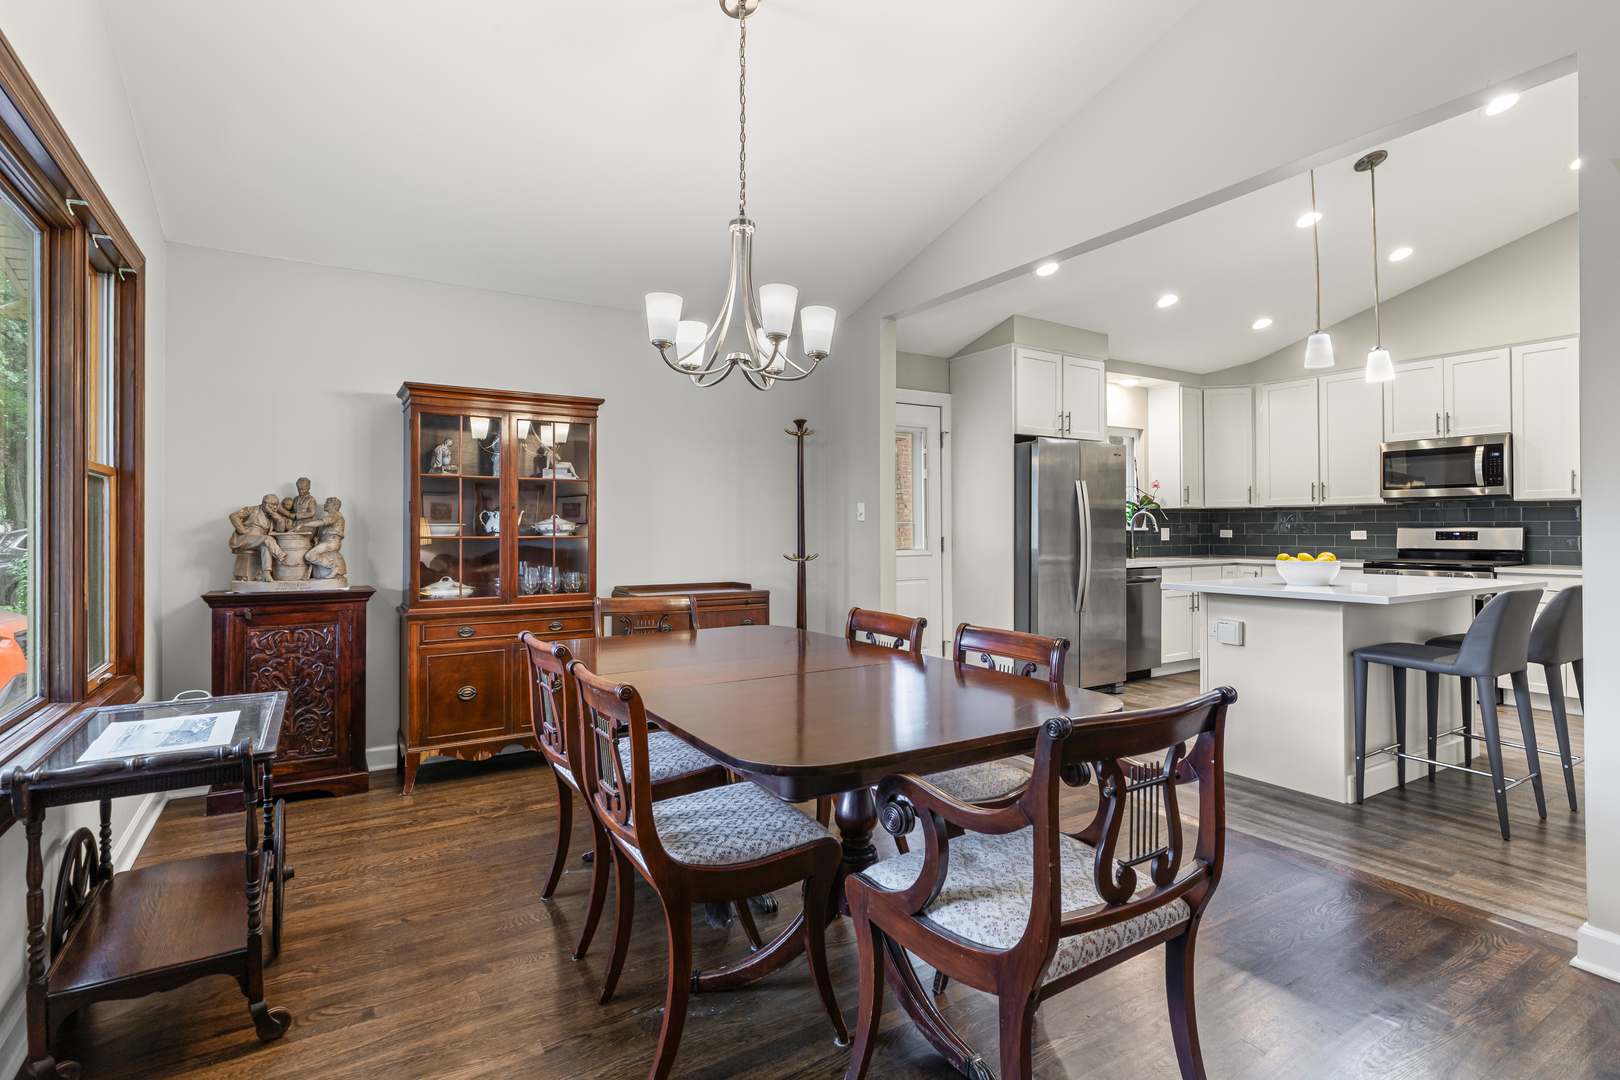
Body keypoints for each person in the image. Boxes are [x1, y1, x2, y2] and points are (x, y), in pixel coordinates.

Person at [229, 495, 294, 580]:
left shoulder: (272, 515)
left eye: (276, 505)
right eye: (272, 505)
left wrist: (278, 519)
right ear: (265, 503)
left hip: (260, 540)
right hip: (247, 539)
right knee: (267, 539)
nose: (275, 507)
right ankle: (281, 557)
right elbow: (233, 516)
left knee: (265, 546)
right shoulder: (251, 510)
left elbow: (280, 531)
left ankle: (266, 573)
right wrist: (242, 530)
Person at [305, 497, 346, 579]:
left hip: (331, 542)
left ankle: (334, 567)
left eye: (327, 503)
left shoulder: (334, 515)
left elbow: (320, 523)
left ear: (334, 505)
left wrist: (303, 525)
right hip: (329, 541)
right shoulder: (333, 516)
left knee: (309, 555)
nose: (324, 504)